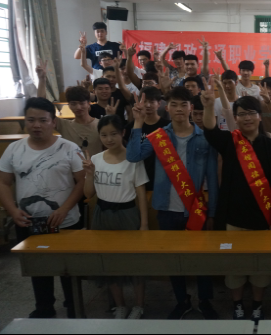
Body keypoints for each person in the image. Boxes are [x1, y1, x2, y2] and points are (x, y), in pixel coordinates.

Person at [126, 87, 220, 320]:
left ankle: (205, 301)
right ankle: (181, 301)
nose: (179, 109)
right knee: (173, 259)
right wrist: (138, 122)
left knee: (202, 259)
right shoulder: (159, 136)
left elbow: (212, 178)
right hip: (166, 209)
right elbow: (133, 156)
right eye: (174, 105)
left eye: (183, 104)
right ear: (167, 108)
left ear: (191, 108)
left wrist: (212, 213)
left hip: (196, 208)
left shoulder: (203, 137)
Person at [201, 81, 271, 323]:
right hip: (233, 219)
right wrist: (207, 106)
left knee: (260, 267)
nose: (247, 118)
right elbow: (210, 131)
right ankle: (238, 305)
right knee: (235, 267)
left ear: (259, 116)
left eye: (251, 113)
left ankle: (257, 305)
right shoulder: (230, 142)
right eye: (241, 114)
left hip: (263, 220)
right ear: (236, 118)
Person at [0, 98, 85, 319]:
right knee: (37, 268)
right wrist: (12, 211)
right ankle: (44, 307)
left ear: (53, 122)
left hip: (65, 221)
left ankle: (74, 306)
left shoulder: (69, 148)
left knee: (69, 269)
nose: (36, 125)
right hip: (29, 222)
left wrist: (64, 209)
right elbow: (3, 183)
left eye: (42, 120)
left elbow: (82, 182)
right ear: (25, 122)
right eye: (31, 120)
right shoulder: (14, 149)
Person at [80, 115, 149, 320]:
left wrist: (144, 224)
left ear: (123, 133)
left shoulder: (133, 159)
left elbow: (141, 194)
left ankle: (139, 305)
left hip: (127, 215)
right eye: (104, 135)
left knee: (135, 263)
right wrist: (90, 174)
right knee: (108, 263)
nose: (109, 139)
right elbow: (88, 194)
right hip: (102, 216)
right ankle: (120, 306)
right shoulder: (95, 159)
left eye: (113, 134)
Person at [36, 62, 102, 156]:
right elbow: (41, 107)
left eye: (82, 103)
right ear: (69, 105)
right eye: (73, 104)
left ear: (89, 104)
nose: (78, 107)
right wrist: (42, 79)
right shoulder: (64, 125)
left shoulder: (101, 124)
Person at [124, 87, 171, 191]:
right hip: (137, 179)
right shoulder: (131, 127)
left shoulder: (167, 126)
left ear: (159, 103)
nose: (148, 105)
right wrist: (138, 121)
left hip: (162, 178)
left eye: (152, 102)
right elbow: (131, 155)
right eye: (144, 101)